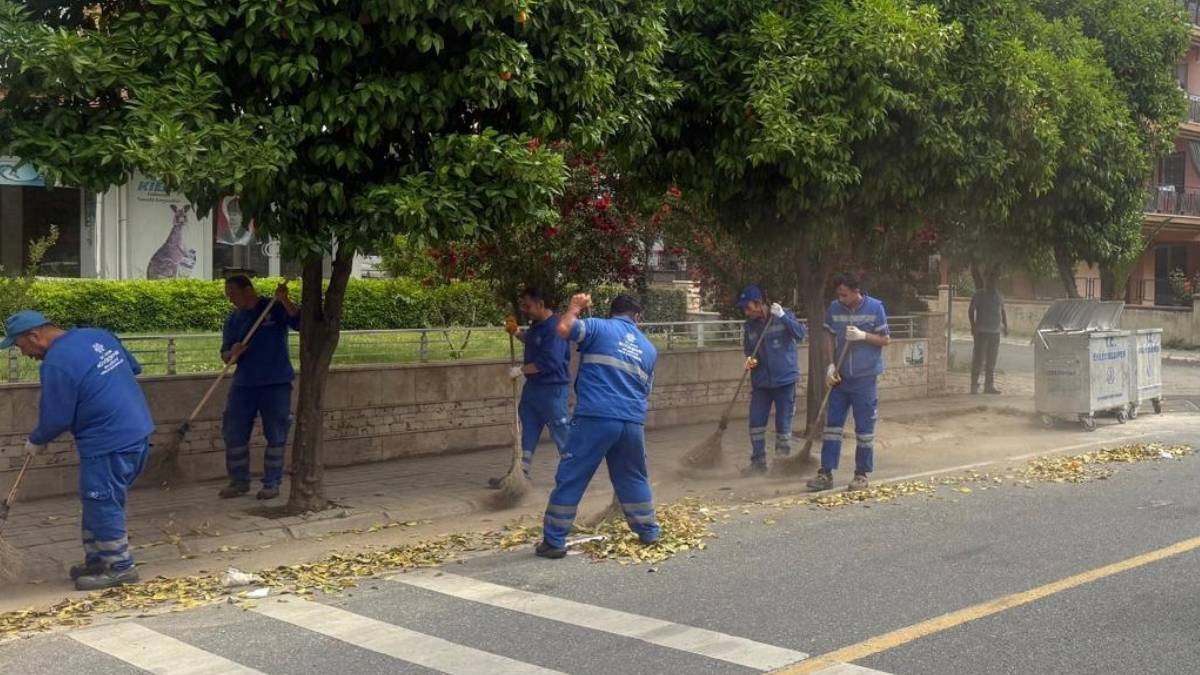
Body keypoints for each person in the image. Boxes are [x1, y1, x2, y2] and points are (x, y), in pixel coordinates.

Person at [4, 310, 154, 590]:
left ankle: (120, 567)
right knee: (97, 499)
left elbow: (57, 416)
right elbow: (132, 368)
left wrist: (37, 440)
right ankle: (98, 559)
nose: (22, 352)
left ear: (34, 336)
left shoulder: (56, 363)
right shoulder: (98, 336)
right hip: (138, 430)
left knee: (101, 500)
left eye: (19, 345)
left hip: (108, 440)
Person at [537, 294, 660, 559]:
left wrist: (575, 308)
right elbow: (646, 389)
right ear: (637, 317)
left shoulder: (598, 327)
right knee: (633, 477)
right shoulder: (649, 349)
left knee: (573, 474)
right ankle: (649, 532)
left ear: (612, 312)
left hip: (596, 417)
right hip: (632, 422)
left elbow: (563, 329)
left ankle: (554, 540)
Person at [218, 275, 301, 500]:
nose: (231, 299)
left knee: (276, 433)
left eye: (233, 293)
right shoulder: (233, 320)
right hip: (244, 384)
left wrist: (284, 300)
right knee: (233, 433)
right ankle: (239, 481)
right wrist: (232, 353)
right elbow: (226, 356)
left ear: (248, 290)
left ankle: (272, 483)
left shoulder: (272, 307)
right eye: (228, 295)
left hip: (276, 383)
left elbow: (299, 322)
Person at [807, 273, 891, 492]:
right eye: (839, 295)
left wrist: (864, 336)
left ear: (856, 291)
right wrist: (830, 365)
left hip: (865, 378)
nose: (841, 299)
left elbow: (885, 339)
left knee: (864, 429)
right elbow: (829, 336)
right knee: (832, 427)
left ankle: (861, 474)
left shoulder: (875, 308)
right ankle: (825, 472)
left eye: (845, 295)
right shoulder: (835, 308)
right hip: (840, 379)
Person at [488, 287, 571, 488]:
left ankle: (573, 474)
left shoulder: (557, 328)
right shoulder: (537, 325)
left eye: (528, 305)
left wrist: (521, 370)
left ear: (541, 304)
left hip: (552, 390)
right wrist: (516, 332)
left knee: (561, 432)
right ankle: (519, 474)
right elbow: (533, 342)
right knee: (528, 430)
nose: (525, 309)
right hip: (534, 389)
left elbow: (550, 361)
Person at [735, 285, 807, 476]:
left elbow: (800, 334)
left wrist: (783, 316)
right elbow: (749, 350)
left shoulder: (783, 316)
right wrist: (751, 360)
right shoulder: (749, 326)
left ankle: (782, 464)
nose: (746, 312)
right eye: (744, 308)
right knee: (756, 423)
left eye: (748, 307)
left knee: (783, 425)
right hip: (761, 382)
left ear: (759, 303)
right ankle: (758, 463)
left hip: (784, 381)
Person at [969, 280, 1007, 395]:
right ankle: (974, 386)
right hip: (982, 332)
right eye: (990, 279)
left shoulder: (998, 294)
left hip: (995, 332)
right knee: (979, 360)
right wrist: (973, 325)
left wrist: (1005, 326)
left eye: (994, 279)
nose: (992, 282)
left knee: (991, 361)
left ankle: (988, 386)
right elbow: (971, 309)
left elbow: (1003, 310)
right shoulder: (979, 294)